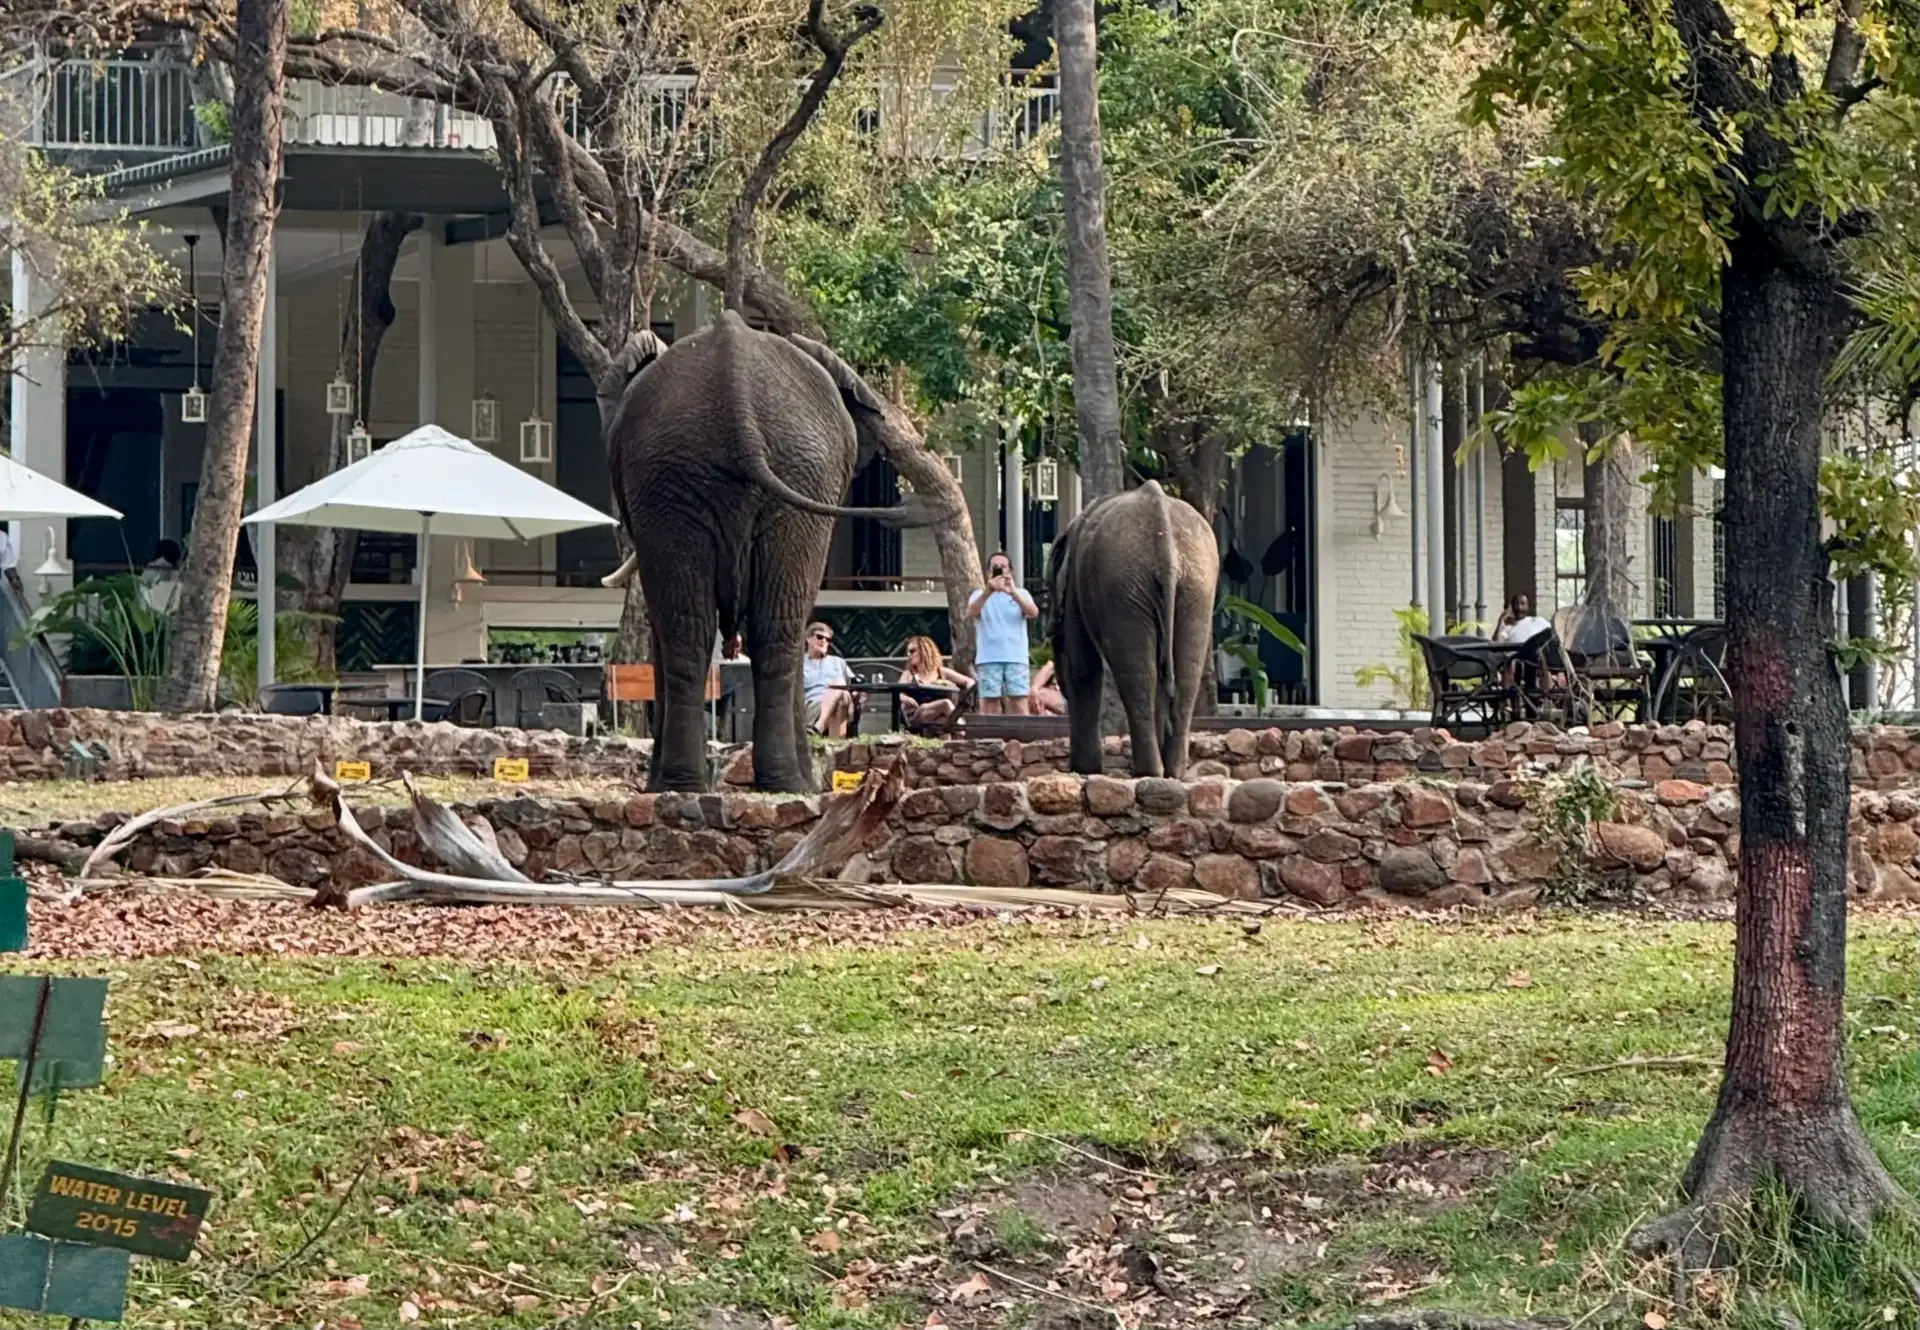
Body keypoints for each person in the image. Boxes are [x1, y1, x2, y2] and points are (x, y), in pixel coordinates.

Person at [965, 551, 1040, 714]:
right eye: (995, 567)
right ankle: (990, 738)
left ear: (1010, 571)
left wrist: (1012, 592)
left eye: (1003, 567)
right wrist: (989, 591)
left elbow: (1033, 613)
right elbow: (971, 612)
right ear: (988, 572)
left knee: (1019, 701)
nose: (999, 570)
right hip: (988, 658)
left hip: (1016, 658)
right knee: (989, 702)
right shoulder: (978, 595)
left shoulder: (1022, 593)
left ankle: (1022, 738)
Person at [897, 635, 972, 732]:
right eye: (908, 652)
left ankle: (956, 739)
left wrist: (967, 694)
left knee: (944, 721)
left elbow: (969, 681)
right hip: (918, 713)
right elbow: (899, 692)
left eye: (912, 651)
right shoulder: (908, 674)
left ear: (924, 650)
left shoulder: (940, 672)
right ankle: (965, 730)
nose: (908, 655)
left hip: (937, 717)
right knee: (945, 704)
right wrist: (906, 698)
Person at [802, 621, 852, 737]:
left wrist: (859, 694)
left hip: (844, 704)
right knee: (839, 702)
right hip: (811, 706)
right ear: (808, 639)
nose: (824, 641)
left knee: (839, 685)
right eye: (819, 637)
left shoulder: (838, 662)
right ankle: (836, 748)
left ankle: (819, 725)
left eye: (827, 640)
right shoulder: (799, 663)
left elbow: (853, 685)